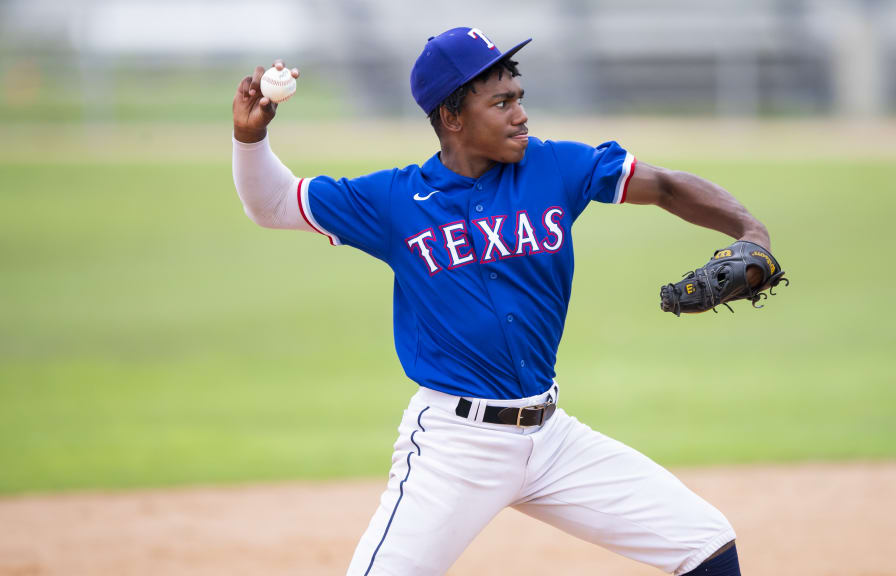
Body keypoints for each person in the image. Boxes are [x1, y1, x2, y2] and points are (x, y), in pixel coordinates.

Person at [232, 27, 768, 576]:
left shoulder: (555, 167)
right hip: (455, 449)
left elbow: (669, 187)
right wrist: (250, 141)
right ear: (453, 117)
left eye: (520, 98)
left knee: (705, 543)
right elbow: (272, 202)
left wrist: (752, 231)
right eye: (502, 102)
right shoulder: (394, 199)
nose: (521, 115)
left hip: (551, 439)